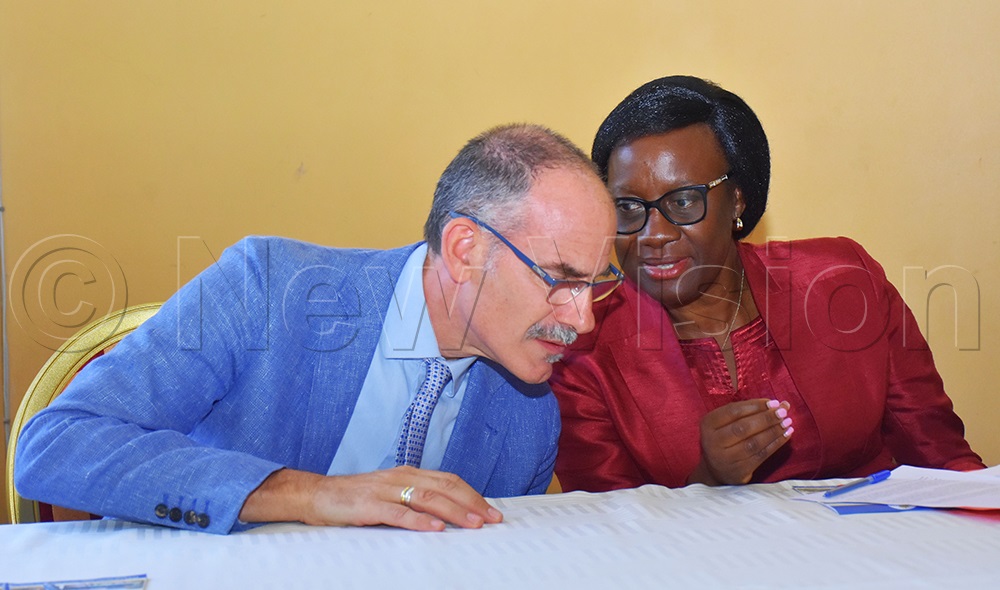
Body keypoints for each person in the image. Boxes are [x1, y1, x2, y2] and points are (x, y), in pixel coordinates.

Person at [15, 123, 623, 533]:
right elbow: (56, 444)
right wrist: (308, 494)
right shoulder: (266, 288)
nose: (584, 318)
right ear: (466, 250)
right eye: (561, 279)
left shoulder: (529, 418)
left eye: (596, 284)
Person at [549, 76, 984, 492]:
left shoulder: (845, 285)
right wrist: (707, 481)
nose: (653, 234)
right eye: (628, 206)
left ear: (737, 199)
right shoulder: (584, 356)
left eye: (682, 201)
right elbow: (608, 524)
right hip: (700, 549)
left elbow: (943, 461)